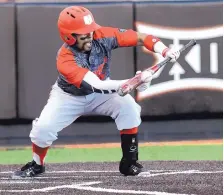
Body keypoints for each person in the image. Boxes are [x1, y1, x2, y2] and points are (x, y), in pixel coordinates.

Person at [12, 6, 180, 178]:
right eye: (83, 34)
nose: (90, 37)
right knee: (42, 129)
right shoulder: (65, 58)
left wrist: (164, 50)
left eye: (90, 31)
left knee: (129, 108)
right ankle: (38, 164)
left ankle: (129, 163)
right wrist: (131, 82)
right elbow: (95, 85)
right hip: (69, 97)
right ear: (68, 37)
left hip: (102, 93)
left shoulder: (102, 34)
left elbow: (142, 38)